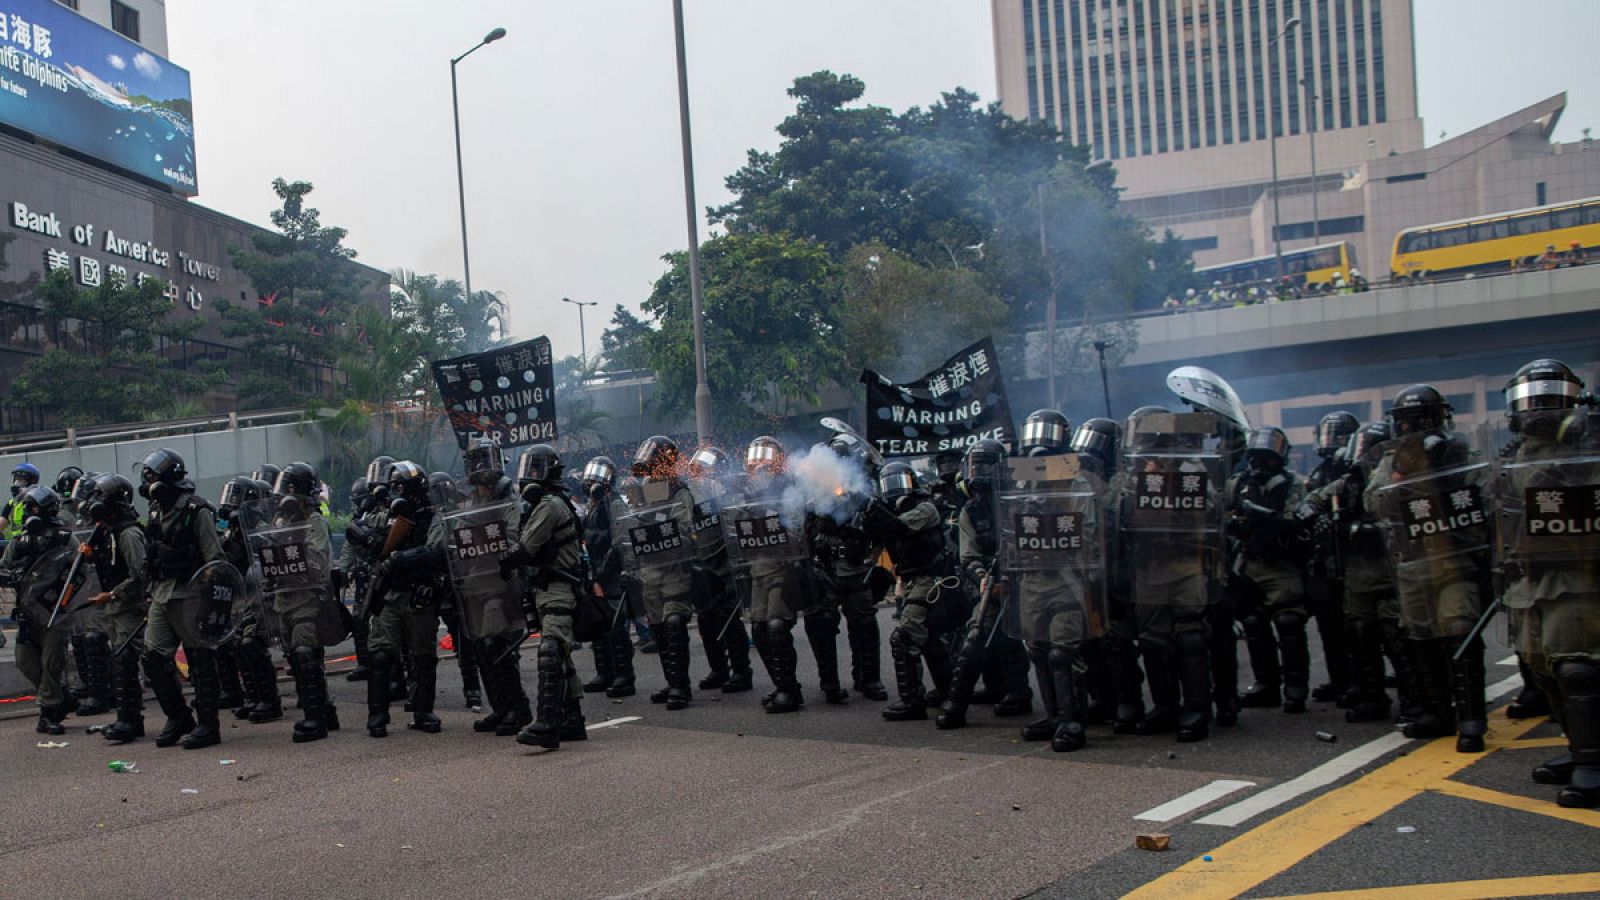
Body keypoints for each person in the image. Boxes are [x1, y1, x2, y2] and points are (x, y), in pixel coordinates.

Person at [1494, 359, 1599, 807]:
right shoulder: (1517, 451)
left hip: (1578, 576)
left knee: (1577, 668)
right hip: (1531, 574)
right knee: (1543, 667)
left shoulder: (1588, 444)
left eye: (1547, 396)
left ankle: (1595, 763)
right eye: (1528, 400)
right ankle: (1579, 751)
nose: (1536, 408)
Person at [1367, 385, 1490, 753]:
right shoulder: (1391, 461)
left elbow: (1485, 496)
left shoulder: (1462, 453)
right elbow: (1373, 502)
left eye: (1421, 421)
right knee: (1421, 637)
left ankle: (1472, 718)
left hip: (1454, 560)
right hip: (1413, 563)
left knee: (1459, 630)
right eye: (1406, 423)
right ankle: (1438, 712)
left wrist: (1447, 473)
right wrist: (1401, 480)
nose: (1413, 429)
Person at [1124, 406, 1228, 743]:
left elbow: (1209, 511)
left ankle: (1197, 708)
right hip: (1149, 565)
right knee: (1153, 641)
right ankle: (1165, 706)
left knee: (1189, 636)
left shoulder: (1190, 466)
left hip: (1184, 562)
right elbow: (1120, 513)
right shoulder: (1134, 469)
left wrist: (1166, 485)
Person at [137, 448, 228, 749]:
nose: (149, 484)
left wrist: (208, 599)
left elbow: (215, 558)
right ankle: (178, 716)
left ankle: (207, 725)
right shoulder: (155, 511)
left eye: (153, 477)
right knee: (153, 657)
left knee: (200, 659)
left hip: (190, 594)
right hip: (162, 593)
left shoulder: (196, 511)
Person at [444, 439, 534, 736]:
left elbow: (512, 534)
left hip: (499, 583)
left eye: (486, 459)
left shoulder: (508, 497)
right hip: (473, 585)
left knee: (497, 645)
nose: (481, 468)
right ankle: (499, 707)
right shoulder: (468, 502)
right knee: (482, 649)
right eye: (476, 460)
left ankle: (517, 708)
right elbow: (457, 537)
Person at [501, 445, 589, 749]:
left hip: (559, 589)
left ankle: (548, 724)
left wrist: (502, 562)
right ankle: (572, 720)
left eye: (534, 471)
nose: (527, 478)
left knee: (551, 650)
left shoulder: (550, 505)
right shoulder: (543, 505)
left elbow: (527, 547)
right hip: (548, 589)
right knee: (560, 655)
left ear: (548, 474)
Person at [862, 461, 958, 721]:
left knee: (904, 638)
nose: (895, 491)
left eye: (900, 483)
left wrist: (877, 512)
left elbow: (900, 528)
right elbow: (872, 543)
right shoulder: (890, 513)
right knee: (928, 638)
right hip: (913, 580)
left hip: (932, 579)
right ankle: (949, 689)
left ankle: (912, 702)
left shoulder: (925, 508)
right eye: (889, 485)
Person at [1228, 427, 1310, 714]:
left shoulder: (1291, 485)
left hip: (1281, 563)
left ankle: (1296, 688)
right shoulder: (1240, 484)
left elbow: (1297, 518)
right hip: (1250, 562)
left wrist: (1265, 516)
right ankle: (1267, 685)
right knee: (1253, 622)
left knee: (1289, 621)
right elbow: (1223, 510)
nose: (1261, 465)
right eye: (1256, 458)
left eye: (1268, 458)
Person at [361, 461, 444, 738]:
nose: (395, 493)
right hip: (391, 594)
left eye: (400, 487)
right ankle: (377, 715)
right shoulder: (389, 515)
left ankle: (422, 711)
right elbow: (356, 529)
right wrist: (371, 541)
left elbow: (435, 552)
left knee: (423, 657)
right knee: (381, 654)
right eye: (393, 487)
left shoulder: (433, 516)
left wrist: (399, 558)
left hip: (421, 593)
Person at [263, 462, 341, 742]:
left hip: (307, 599)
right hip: (283, 599)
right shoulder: (281, 523)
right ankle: (326, 710)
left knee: (306, 654)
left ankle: (315, 719)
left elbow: (318, 565)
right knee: (296, 660)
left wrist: (293, 547)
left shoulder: (315, 522)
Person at [809, 433, 887, 701]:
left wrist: (868, 547)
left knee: (864, 621)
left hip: (855, 567)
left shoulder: (865, 490)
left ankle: (869, 678)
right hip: (826, 567)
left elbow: (881, 527)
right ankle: (829, 683)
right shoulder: (814, 488)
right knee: (823, 622)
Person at [626, 436, 699, 710]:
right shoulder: (647, 489)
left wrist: (653, 526)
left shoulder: (680, 492)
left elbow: (683, 529)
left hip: (673, 570)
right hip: (650, 571)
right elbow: (636, 520)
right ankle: (672, 681)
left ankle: (682, 686)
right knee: (658, 628)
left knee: (674, 624)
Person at [0, 486, 78, 734]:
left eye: (31, 508)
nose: (25, 513)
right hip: (27, 610)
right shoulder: (20, 541)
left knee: (52, 661)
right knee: (25, 660)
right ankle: (61, 697)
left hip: (56, 611)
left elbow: (81, 570)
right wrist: (11, 575)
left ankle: (48, 713)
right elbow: (3, 567)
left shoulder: (65, 538)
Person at [83, 475, 149, 743]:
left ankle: (131, 721)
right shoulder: (109, 533)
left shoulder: (128, 533)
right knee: (122, 660)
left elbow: (139, 575)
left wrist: (111, 594)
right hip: (116, 608)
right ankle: (128, 719)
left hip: (130, 607)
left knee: (126, 660)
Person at [684, 447, 754, 696]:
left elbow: (738, 528)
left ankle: (741, 670)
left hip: (726, 565)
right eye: (696, 472)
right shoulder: (691, 497)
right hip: (703, 564)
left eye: (704, 472)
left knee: (729, 618)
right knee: (705, 619)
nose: (699, 477)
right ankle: (719, 668)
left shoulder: (731, 494)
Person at [217, 476, 284, 724]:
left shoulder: (260, 528)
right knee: (238, 646)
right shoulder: (230, 531)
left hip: (260, 597)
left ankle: (269, 700)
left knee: (251, 644)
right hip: (239, 598)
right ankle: (252, 697)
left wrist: (245, 529)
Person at [1303, 412, 1360, 707]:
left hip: (1353, 556)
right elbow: (1308, 505)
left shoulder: (1357, 469)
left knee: (1357, 622)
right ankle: (1340, 678)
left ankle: (1360, 680)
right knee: (1329, 622)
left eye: (1338, 436)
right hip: (1324, 556)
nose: (1331, 442)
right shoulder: (1319, 473)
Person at [578, 455, 638, 698]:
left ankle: (624, 675)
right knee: (599, 624)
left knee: (615, 624)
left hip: (611, 573)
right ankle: (605, 672)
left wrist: (603, 572)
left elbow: (620, 540)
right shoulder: (592, 506)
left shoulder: (614, 504)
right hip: (596, 570)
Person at [4, 462, 41, 539]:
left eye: (20, 480)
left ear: (31, 482)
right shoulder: (12, 503)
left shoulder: (37, 502)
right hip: (16, 544)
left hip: (34, 542)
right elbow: (1, 523)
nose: (16, 483)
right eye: (15, 479)